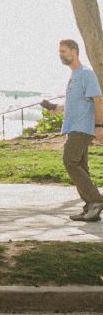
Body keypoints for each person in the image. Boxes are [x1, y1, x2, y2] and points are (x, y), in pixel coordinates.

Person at [57, 39, 103, 222]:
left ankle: (96, 200)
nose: (60, 55)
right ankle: (90, 209)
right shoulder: (74, 75)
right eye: (59, 52)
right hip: (73, 127)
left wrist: (100, 126)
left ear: (74, 52)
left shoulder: (86, 74)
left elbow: (98, 100)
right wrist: (55, 108)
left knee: (69, 161)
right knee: (81, 166)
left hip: (82, 128)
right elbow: (74, 103)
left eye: (63, 51)